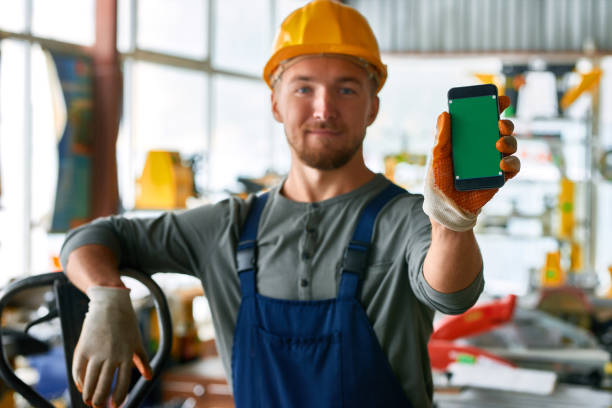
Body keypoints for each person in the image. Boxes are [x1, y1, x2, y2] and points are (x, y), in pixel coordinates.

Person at [60, 1, 520, 407]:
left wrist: (452, 220)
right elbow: (92, 237)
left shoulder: (404, 219)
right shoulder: (226, 227)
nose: (323, 108)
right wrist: (106, 295)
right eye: (303, 88)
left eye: (346, 88)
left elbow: (452, 293)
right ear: (276, 103)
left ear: (372, 107)